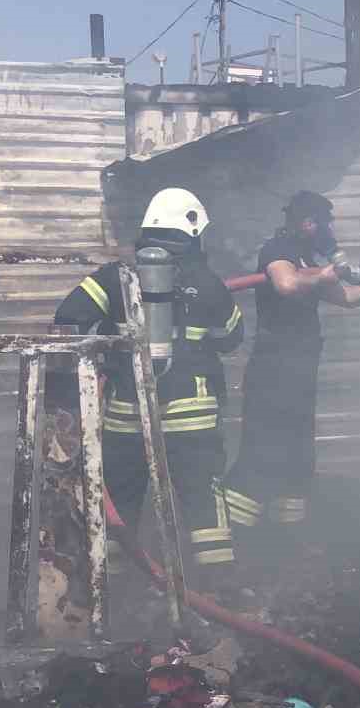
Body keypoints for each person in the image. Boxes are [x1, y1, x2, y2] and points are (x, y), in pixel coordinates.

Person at [54, 187, 245, 577]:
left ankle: (113, 593)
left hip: (127, 415)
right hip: (192, 418)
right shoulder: (207, 282)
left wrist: (110, 336)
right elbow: (232, 337)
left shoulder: (116, 276)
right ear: (192, 231)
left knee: (120, 503)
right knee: (201, 503)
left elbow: (68, 317)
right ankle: (220, 590)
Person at [221, 191, 360, 540]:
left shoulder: (307, 258)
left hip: (301, 366)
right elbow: (287, 283)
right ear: (308, 222)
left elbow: (348, 298)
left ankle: (285, 541)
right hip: (274, 365)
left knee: (298, 451)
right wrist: (332, 270)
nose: (330, 230)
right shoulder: (278, 252)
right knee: (263, 444)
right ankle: (233, 535)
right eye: (326, 222)